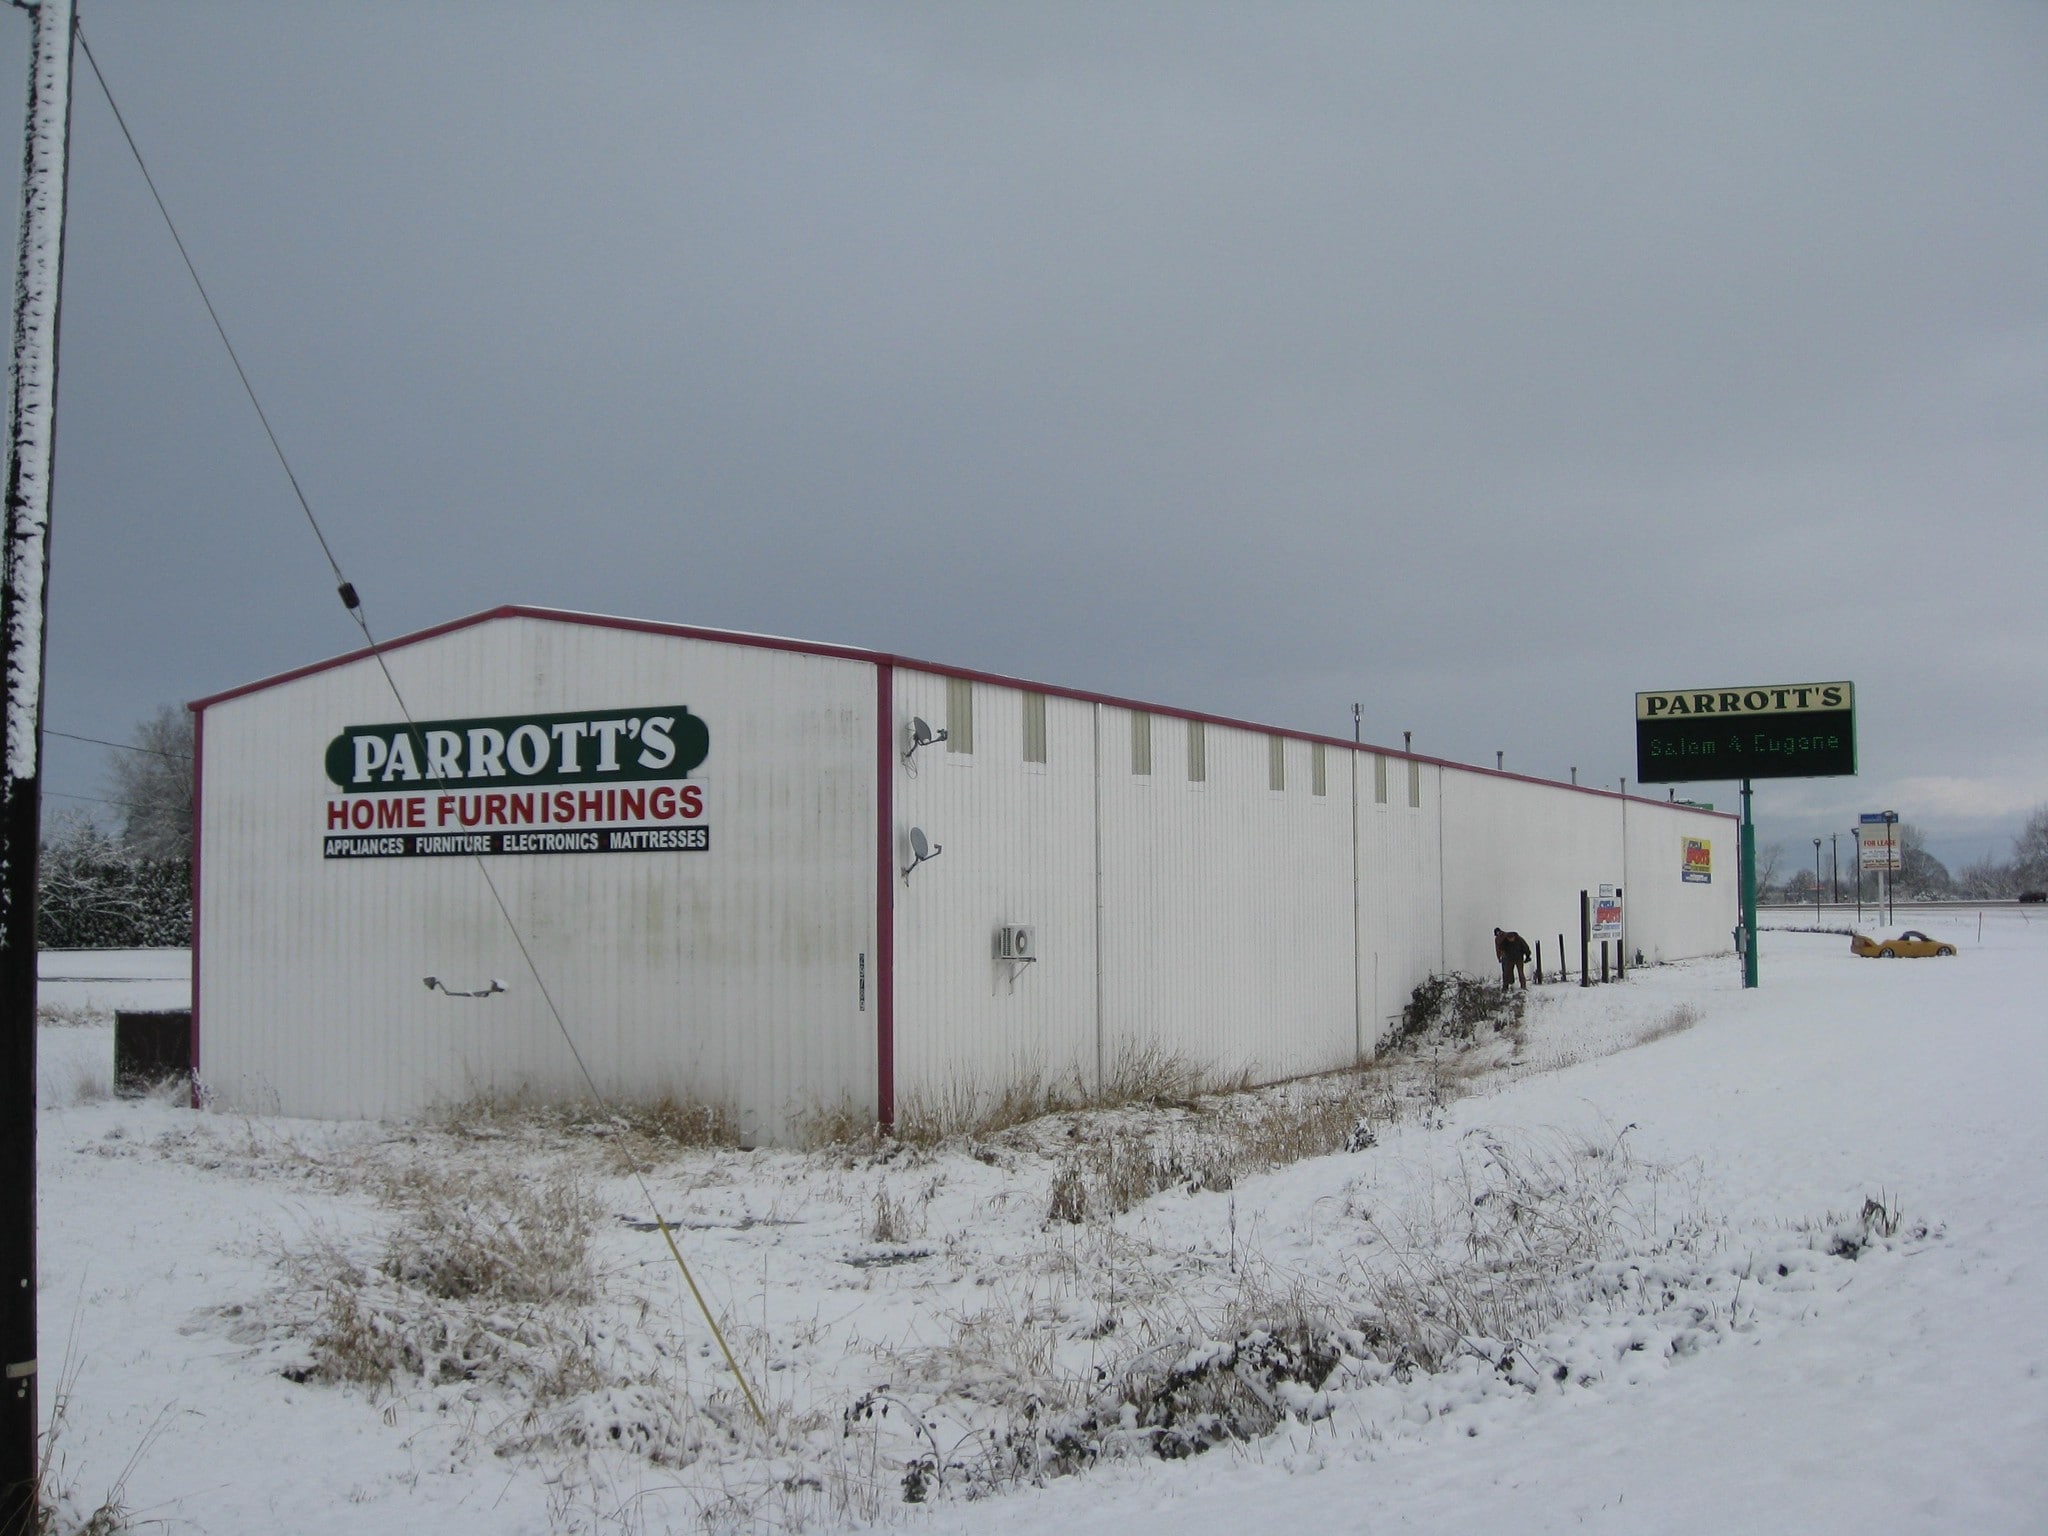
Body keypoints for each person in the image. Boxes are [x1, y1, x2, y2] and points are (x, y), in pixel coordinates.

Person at [1493, 927, 1532, 992]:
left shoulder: (1519, 939)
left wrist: (1528, 956)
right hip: (1509, 958)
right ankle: (1505, 987)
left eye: (1511, 938)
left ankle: (1523, 987)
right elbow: (1500, 948)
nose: (1510, 940)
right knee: (1506, 973)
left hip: (1519, 958)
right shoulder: (1504, 940)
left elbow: (1525, 947)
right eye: (1509, 939)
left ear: (1513, 937)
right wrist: (1500, 956)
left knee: (1521, 973)